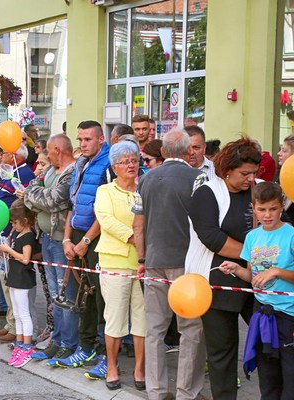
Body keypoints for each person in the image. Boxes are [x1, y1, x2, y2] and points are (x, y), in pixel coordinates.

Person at [132, 129, 207, 400]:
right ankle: (186, 392)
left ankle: (156, 390)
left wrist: (142, 258)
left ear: (162, 152)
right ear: (189, 151)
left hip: (154, 261)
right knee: (190, 330)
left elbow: (137, 225)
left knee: (154, 329)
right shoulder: (198, 177)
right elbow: (204, 223)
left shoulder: (145, 180)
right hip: (188, 265)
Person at [186, 137, 261, 400]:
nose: (251, 179)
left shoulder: (261, 190)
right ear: (227, 169)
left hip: (260, 283)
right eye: (245, 174)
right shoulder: (207, 193)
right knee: (223, 354)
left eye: (255, 173)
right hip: (218, 284)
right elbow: (211, 237)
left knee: (270, 345)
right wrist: (254, 254)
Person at [220, 182, 294, 399]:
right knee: (268, 377)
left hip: (288, 316)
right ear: (254, 208)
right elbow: (253, 278)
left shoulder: (290, 234)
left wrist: (277, 271)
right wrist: (236, 269)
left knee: (290, 377)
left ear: (281, 206)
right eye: (262, 209)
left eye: (273, 208)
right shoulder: (252, 237)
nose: (268, 215)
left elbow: (273, 274)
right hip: (262, 314)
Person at [58, 120, 109, 374]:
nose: (82, 144)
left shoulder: (109, 164)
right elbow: (73, 205)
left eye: (87, 139)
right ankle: (86, 346)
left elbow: (106, 212)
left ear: (101, 139)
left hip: (97, 240)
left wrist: (86, 242)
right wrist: (68, 239)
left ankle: (103, 352)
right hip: (77, 236)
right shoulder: (80, 163)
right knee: (84, 295)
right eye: (79, 139)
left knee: (101, 299)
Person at [93, 141, 145, 391]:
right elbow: (106, 220)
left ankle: (140, 369)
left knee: (143, 319)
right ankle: (112, 366)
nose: (130, 165)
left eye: (134, 160)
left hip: (144, 264)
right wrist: (134, 237)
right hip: (115, 262)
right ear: (114, 167)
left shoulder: (144, 188)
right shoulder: (105, 191)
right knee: (114, 319)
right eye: (125, 162)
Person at [24, 134, 78, 362]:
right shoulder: (49, 172)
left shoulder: (71, 174)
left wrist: (33, 194)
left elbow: (53, 200)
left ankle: (69, 343)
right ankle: (56, 340)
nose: (42, 156)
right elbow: (30, 194)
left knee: (66, 295)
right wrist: (34, 193)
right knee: (54, 295)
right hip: (45, 237)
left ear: (57, 150)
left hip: (61, 240)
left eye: (47, 150)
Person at [0, 144, 36, 344]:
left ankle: (17, 329)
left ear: (14, 155)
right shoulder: (8, 173)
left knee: (14, 289)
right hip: (6, 233)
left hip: (14, 236)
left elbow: (21, 206)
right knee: (6, 283)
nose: (1, 156)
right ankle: (11, 324)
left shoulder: (25, 173)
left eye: (4, 152)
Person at [0, 200, 37, 368]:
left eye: (15, 222)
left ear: (25, 221)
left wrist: (8, 250)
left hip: (22, 278)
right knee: (18, 314)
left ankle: (27, 347)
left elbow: (25, 258)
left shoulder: (28, 236)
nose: (13, 225)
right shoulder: (16, 234)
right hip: (14, 276)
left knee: (24, 313)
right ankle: (20, 343)